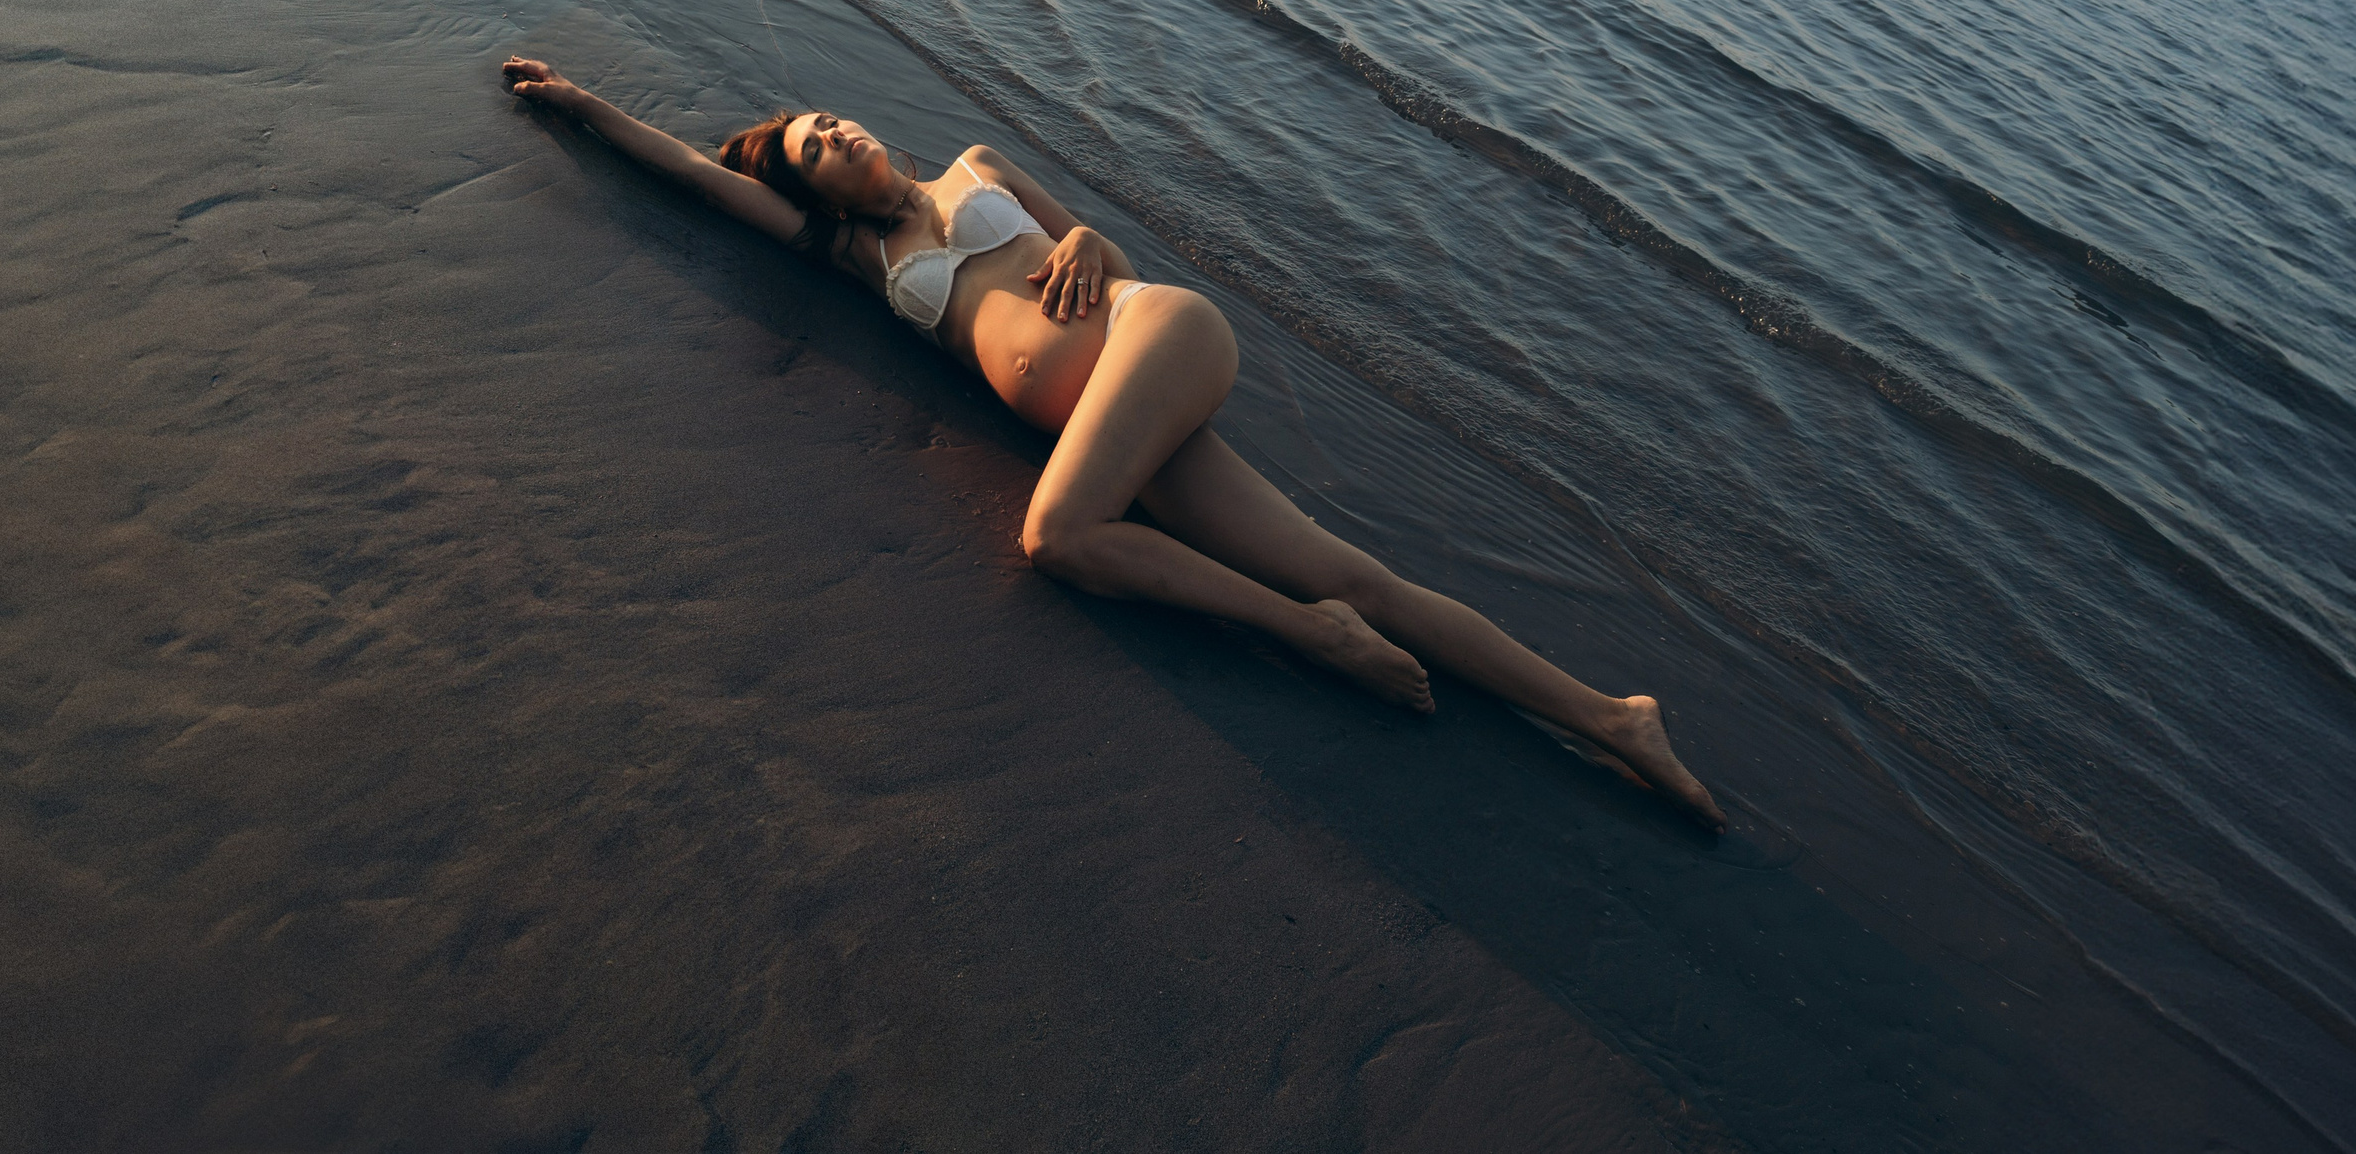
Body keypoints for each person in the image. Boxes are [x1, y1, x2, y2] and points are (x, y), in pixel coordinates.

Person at [501, 55, 1726, 830]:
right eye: (813, 150)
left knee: (1056, 533)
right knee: (1355, 573)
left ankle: (1312, 638)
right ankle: (1611, 717)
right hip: (1121, 421)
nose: (833, 135)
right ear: (813, 194)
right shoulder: (853, 256)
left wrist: (1089, 236)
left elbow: (1100, 252)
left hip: (1158, 332)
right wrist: (577, 103)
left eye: (830, 120)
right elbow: (689, 171)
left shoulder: (976, 164)